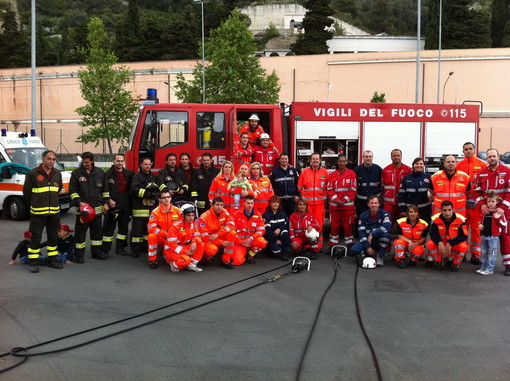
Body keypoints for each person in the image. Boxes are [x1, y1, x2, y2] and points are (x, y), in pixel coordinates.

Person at [22, 150, 64, 272]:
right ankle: (33, 262)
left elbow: (58, 189)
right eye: (49, 159)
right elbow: (27, 192)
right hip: (38, 213)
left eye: (53, 159)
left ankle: (52, 260)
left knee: (53, 238)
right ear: (43, 159)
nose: (51, 162)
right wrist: (36, 204)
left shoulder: (57, 174)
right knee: (35, 238)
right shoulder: (33, 173)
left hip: (54, 213)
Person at [474, 148, 510, 276]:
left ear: (498, 157)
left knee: (505, 238)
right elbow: (476, 192)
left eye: (494, 156)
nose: (492, 159)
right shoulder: (482, 173)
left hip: (503, 212)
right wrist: (481, 204)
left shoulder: (507, 172)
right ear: (487, 158)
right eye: (489, 157)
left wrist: (503, 208)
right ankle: (486, 264)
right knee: (486, 239)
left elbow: (509, 192)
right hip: (486, 212)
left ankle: (508, 264)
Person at [70, 151, 109, 263]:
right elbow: (72, 191)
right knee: (80, 235)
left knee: (97, 234)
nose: (84, 164)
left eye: (87, 162)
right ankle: (79, 256)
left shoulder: (100, 172)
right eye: (83, 162)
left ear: (92, 161)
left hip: (97, 210)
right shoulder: (77, 173)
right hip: (83, 211)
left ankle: (96, 253)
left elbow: (105, 190)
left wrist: (106, 203)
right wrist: (79, 203)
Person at [456, 142, 488, 264]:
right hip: (462, 204)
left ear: (474, 150)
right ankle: (462, 252)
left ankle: (475, 254)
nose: (468, 151)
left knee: (476, 229)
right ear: (463, 151)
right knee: (462, 228)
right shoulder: (459, 165)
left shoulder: (482, 164)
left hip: (476, 204)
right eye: (466, 149)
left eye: (470, 149)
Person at [102, 154, 135, 256]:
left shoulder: (129, 173)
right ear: (113, 161)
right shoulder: (107, 174)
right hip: (112, 203)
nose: (120, 163)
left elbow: (133, 187)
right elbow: (102, 190)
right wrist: (107, 201)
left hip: (125, 202)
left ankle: (120, 248)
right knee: (108, 228)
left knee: (123, 227)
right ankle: (105, 250)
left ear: (124, 162)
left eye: (121, 161)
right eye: (118, 161)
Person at [349, 195, 392, 267]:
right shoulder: (363, 216)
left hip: (378, 239)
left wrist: (373, 234)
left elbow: (386, 227)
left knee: (386, 236)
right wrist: (368, 247)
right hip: (367, 240)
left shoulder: (385, 214)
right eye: (372, 203)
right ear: (368, 204)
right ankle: (368, 252)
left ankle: (380, 255)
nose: (374, 205)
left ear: (379, 204)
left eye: (375, 203)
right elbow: (361, 234)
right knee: (353, 250)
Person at [426, 200, 468, 272]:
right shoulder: (436, 220)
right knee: (430, 243)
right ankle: (439, 261)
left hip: (453, 244)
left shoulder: (460, 220)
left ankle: (455, 263)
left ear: (453, 210)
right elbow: (433, 234)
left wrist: (451, 243)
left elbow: (464, 236)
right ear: (441, 211)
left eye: (449, 210)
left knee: (463, 246)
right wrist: (439, 242)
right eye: (444, 210)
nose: (447, 213)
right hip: (442, 244)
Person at [131, 157, 159, 258]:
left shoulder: (153, 177)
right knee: (137, 232)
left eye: (149, 164)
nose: (147, 166)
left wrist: (158, 193)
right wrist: (148, 194)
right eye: (145, 164)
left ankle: (144, 248)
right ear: (141, 165)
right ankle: (135, 250)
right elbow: (134, 190)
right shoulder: (137, 177)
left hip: (151, 210)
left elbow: (159, 188)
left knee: (148, 232)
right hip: (139, 209)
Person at [198, 197, 237, 269]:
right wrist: (221, 242)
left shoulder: (225, 212)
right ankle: (206, 258)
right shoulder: (204, 217)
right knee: (211, 250)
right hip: (209, 240)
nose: (220, 207)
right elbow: (204, 237)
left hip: (219, 236)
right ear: (212, 205)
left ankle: (226, 260)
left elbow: (231, 225)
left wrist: (218, 234)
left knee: (232, 233)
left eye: (222, 205)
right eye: (217, 205)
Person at [327, 155, 357, 246]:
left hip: (347, 206)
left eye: (344, 161)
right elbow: (329, 189)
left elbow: (353, 189)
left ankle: (349, 244)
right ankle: (332, 244)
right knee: (334, 226)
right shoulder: (332, 175)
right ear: (337, 162)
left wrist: (343, 201)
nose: (342, 163)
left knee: (347, 226)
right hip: (335, 206)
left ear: (346, 162)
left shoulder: (352, 174)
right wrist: (337, 200)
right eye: (340, 161)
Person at [147, 190, 181, 269]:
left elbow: (183, 226)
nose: (167, 199)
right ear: (159, 199)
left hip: (174, 238)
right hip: (162, 237)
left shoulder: (178, 211)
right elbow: (151, 228)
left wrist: (181, 234)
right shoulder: (155, 212)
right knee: (152, 236)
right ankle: (153, 260)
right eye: (164, 197)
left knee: (173, 259)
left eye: (168, 197)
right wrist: (164, 234)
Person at [164, 203, 204, 272]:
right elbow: (172, 245)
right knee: (186, 261)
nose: (191, 218)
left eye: (193, 215)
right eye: (189, 215)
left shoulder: (193, 224)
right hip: (172, 251)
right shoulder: (175, 227)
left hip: (184, 247)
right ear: (183, 215)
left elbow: (197, 236)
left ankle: (192, 265)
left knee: (201, 244)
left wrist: (194, 242)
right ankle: (172, 263)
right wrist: (186, 251)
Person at [477, 192, 507, 275]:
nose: (490, 203)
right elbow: (480, 220)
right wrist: (479, 224)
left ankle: (490, 269)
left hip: (493, 237)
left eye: (492, 201)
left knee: (492, 254)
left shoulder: (499, 212)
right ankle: (483, 267)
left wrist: (498, 218)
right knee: (483, 253)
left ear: (497, 202)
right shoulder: (484, 211)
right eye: (489, 201)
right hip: (484, 235)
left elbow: (504, 224)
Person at [297, 152, 329, 230]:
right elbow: (299, 187)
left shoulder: (325, 172)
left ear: (320, 160)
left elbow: (328, 187)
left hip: (320, 204)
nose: (315, 160)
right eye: (313, 159)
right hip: (307, 204)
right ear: (310, 160)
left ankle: (319, 241)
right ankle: (308, 240)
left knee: (319, 222)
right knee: (307, 222)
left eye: (317, 159)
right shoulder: (304, 172)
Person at [232, 195, 267, 265]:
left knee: (262, 242)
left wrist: (252, 238)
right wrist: (240, 242)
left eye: (251, 203)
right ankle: (243, 252)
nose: (250, 205)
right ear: (244, 203)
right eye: (248, 203)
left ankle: (250, 255)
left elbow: (261, 230)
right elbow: (232, 231)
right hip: (240, 242)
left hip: (251, 240)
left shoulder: (258, 215)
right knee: (238, 261)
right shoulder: (236, 214)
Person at [398, 157, 434, 223]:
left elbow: (434, 191)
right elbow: (401, 195)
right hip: (410, 210)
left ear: (423, 165)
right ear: (413, 165)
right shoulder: (406, 178)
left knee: (425, 229)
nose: (419, 165)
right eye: (417, 163)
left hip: (425, 210)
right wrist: (402, 210)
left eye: (421, 164)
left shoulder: (429, 177)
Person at [381, 149, 412, 219]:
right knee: (388, 223)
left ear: (401, 156)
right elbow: (382, 186)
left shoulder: (408, 170)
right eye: (394, 156)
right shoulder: (385, 170)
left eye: (398, 155)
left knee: (402, 224)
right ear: (391, 157)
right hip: (389, 204)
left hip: (403, 203)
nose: (396, 157)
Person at [270, 153, 300, 218]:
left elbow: (298, 184)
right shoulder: (274, 172)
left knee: (292, 217)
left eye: (286, 159)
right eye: (282, 159)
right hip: (280, 200)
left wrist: (297, 195)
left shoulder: (294, 171)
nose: (284, 160)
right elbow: (271, 186)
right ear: (279, 160)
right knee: (280, 217)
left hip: (292, 200)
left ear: (288, 160)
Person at [354, 150, 382, 219]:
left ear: (372, 158)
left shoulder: (378, 169)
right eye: (366, 156)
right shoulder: (357, 169)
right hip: (361, 203)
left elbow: (382, 185)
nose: (368, 158)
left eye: (370, 156)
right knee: (361, 220)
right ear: (363, 157)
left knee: (375, 221)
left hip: (374, 203)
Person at [263, 195, 292, 261]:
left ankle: (285, 253)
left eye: (277, 202)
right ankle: (268, 249)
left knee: (285, 233)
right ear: (270, 203)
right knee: (276, 250)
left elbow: (286, 224)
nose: (276, 204)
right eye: (274, 202)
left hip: (281, 236)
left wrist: (280, 229)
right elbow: (267, 231)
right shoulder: (266, 215)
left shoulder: (283, 213)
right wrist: (276, 240)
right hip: (271, 238)